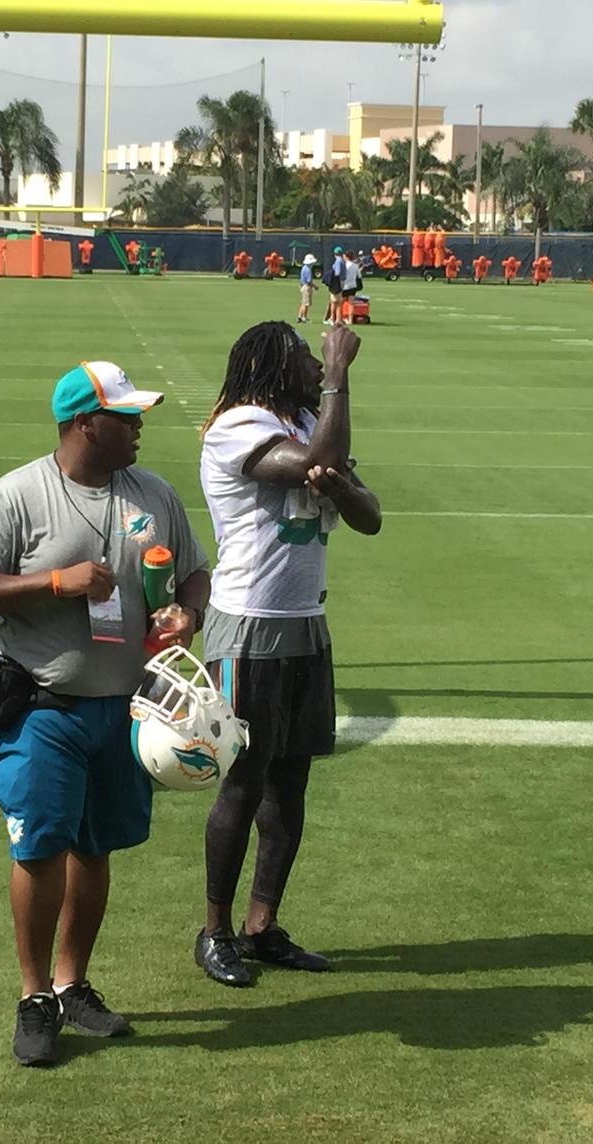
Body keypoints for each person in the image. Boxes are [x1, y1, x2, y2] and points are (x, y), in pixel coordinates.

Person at [0, 360, 210, 1065]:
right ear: (86, 423)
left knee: (96, 847)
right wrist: (53, 582)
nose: (140, 426)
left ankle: (72, 984)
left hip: (124, 709)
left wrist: (187, 613)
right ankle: (34, 996)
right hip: (42, 706)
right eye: (126, 416)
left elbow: (193, 571)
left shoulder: (153, 492)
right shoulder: (17, 495)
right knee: (40, 848)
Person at [195, 321, 382, 987]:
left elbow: (368, 514)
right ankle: (214, 930)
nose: (316, 364)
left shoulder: (307, 421)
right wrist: (339, 372)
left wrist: (344, 485)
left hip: (306, 622)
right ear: (273, 366)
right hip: (249, 623)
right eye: (304, 355)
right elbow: (313, 466)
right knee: (243, 782)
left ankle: (262, 924)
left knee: (290, 782)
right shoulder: (237, 424)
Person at [323, 246, 346, 326]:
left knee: (333, 301)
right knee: (339, 302)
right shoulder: (342, 260)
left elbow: (337, 273)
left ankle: (332, 318)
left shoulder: (338, 261)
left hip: (336, 283)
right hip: (341, 282)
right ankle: (338, 319)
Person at [340, 251, 363, 318]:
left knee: (340, 303)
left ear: (347, 257)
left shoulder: (344, 265)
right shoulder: (355, 266)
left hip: (345, 286)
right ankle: (350, 319)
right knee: (351, 304)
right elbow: (359, 276)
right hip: (353, 286)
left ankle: (340, 318)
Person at [296, 253, 317, 323]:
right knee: (306, 303)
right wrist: (315, 286)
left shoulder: (304, 268)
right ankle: (304, 317)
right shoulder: (308, 270)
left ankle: (300, 316)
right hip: (306, 287)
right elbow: (309, 281)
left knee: (303, 302)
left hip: (303, 286)